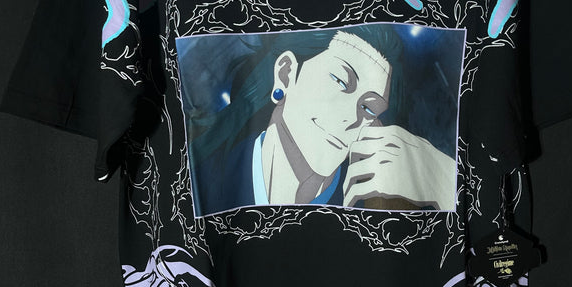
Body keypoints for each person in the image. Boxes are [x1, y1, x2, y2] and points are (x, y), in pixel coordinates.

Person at [183, 25, 457, 215]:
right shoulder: (200, 185)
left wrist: (446, 182)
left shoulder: (378, 206)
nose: (352, 118)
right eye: (340, 81)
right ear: (286, 73)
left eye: (369, 108)